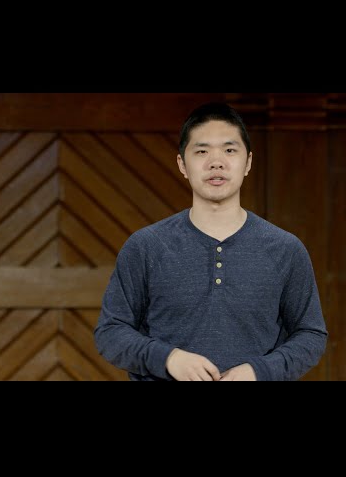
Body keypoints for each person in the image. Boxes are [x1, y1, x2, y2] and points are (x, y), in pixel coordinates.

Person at [94, 102, 328, 381]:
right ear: (182, 164)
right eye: (202, 151)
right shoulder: (146, 246)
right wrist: (168, 359)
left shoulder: (286, 250)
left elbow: (311, 335)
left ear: (248, 162)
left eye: (229, 150)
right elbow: (110, 332)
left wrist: (259, 371)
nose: (216, 162)